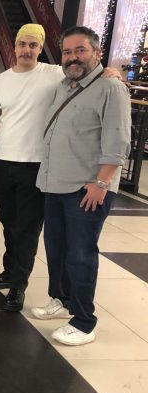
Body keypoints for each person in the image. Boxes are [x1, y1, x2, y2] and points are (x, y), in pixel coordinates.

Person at [0, 24, 122, 312]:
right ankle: (9, 271)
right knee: (8, 222)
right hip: (5, 161)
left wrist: (112, 71)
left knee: (28, 228)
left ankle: (18, 285)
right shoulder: (0, 80)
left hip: (37, 165)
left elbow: (88, 73)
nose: (27, 50)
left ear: (40, 48)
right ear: (14, 46)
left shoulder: (55, 73)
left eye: (33, 44)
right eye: (22, 44)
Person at [31, 26, 130, 346]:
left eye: (80, 50)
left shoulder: (111, 88)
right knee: (56, 247)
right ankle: (62, 300)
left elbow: (118, 142)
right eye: (67, 52)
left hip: (86, 189)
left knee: (81, 253)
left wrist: (101, 182)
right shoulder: (64, 85)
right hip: (55, 182)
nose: (73, 57)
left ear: (97, 53)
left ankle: (84, 321)